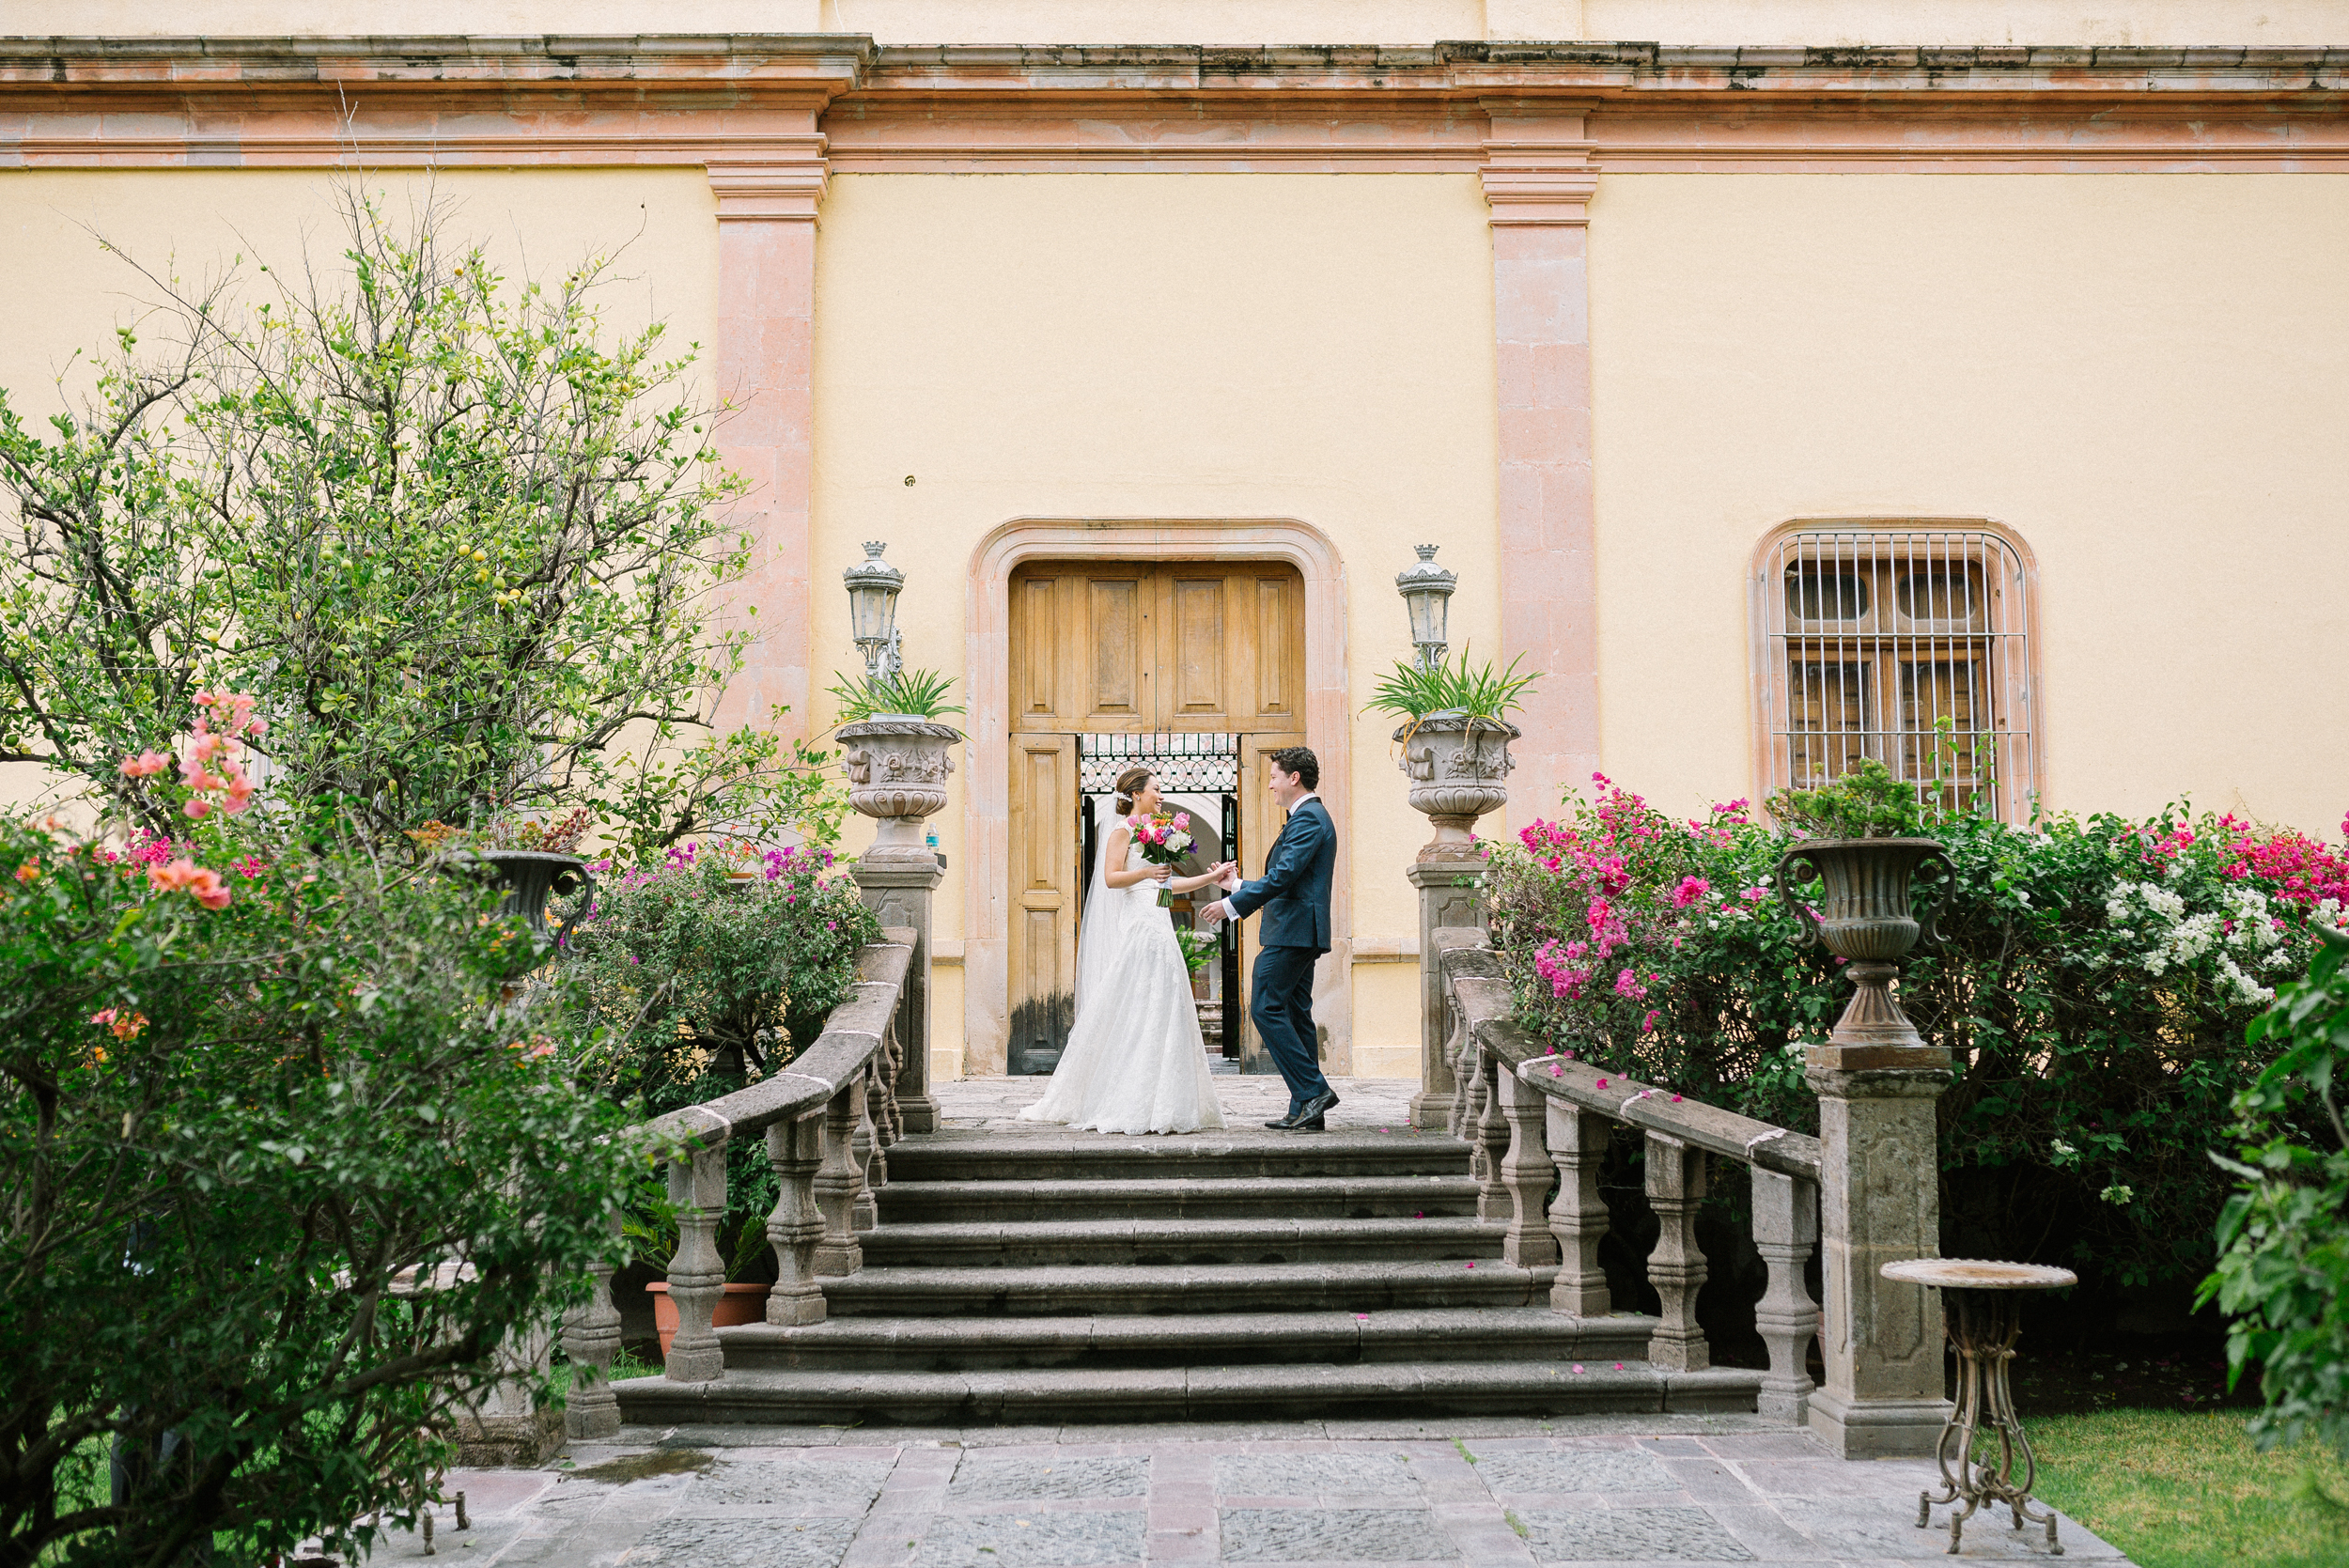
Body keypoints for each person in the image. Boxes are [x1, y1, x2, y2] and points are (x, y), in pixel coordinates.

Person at [1018, 765, 1237, 1134]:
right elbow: (1110, 878)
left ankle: (1162, 1095)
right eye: (1156, 789)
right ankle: (1123, 1095)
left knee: (1165, 1004)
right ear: (1136, 794)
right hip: (1139, 926)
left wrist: (1212, 878)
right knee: (1135, 1002)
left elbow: (1169, 887)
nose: (1161, 795)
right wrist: (1146, 874)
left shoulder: (1159, 834)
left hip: (1160, 924)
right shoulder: (1122, 831)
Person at [1198, 746, 1339, 1131]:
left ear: (1294, 778)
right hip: (1296, 929)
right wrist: (1237, 884)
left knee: (1264, 1007)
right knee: (1294, 1013)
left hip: (1292, 932)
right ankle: (1306, 1110)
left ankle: (1313, 1091)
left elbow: (1284, 877)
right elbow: (1291, 879)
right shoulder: (1306, 817)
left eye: (1275, 776)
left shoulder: (1309, 818)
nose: (1271, 785)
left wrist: (1231, 906)